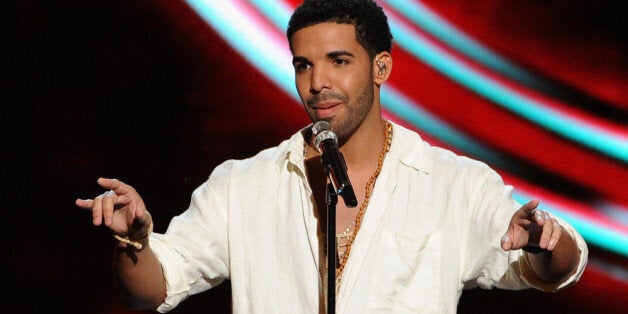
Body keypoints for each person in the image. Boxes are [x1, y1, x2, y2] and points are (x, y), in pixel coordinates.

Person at [75, 0, 588, 313]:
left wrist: (546, 241)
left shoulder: (451, 183)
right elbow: (152, 288)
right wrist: (132, 240)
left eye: (338, 61)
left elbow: (558, 266)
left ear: (380, 67)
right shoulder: (244, 185)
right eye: (303, 65)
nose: (317, 83)